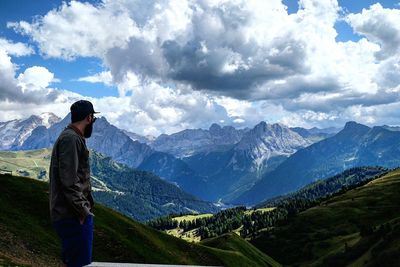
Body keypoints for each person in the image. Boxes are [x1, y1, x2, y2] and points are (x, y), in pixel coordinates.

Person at [49, 100, 99, 267]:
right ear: (89, 118)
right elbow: (69, 181)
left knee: (73, 261)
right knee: (80, 264)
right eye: (93, 119)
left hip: (70, 214)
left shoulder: (71, 137)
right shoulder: (71, 139)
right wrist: (83, 211)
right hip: (73, 216)